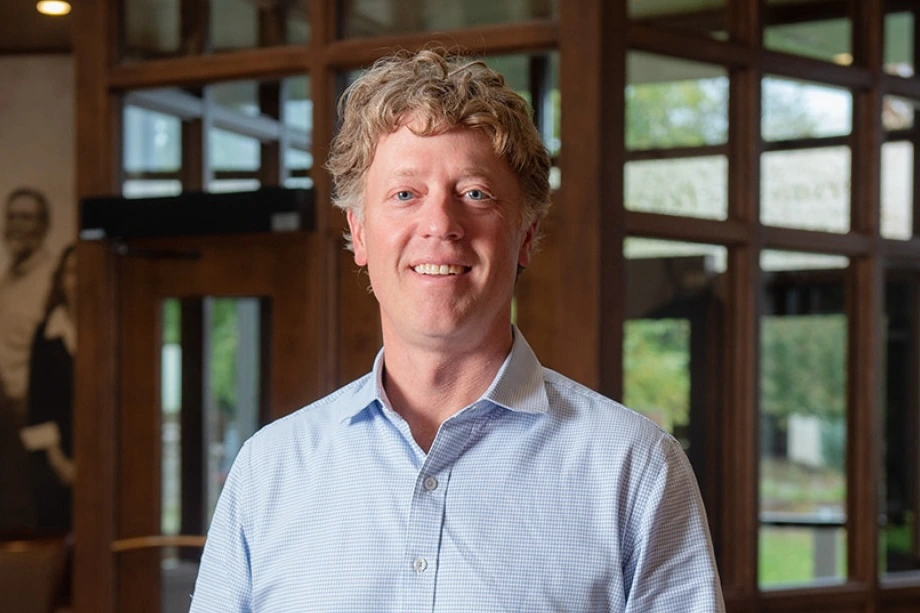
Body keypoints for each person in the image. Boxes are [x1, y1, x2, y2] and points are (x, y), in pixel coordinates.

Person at [191, 48, 725, 612]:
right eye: (404, 194)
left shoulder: (634, 469)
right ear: (360, 233)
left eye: (475, 193)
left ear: (524, 235)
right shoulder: (269, 470)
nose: (440, 225)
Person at [0, 187, 55, 532]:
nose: (17, 225)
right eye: (11, 216)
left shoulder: (50, 278)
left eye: (26, 217)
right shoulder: (7, 279)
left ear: (43, 225)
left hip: (29, 421)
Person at [21, 244, 77, 534]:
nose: (76, 281)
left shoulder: (106, 327)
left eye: (82, 273)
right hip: (52, 459)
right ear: (60, 279)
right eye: (70, 273)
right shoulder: (46, 334)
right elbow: (38, 403)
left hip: (96, 457)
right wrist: (61, 463)